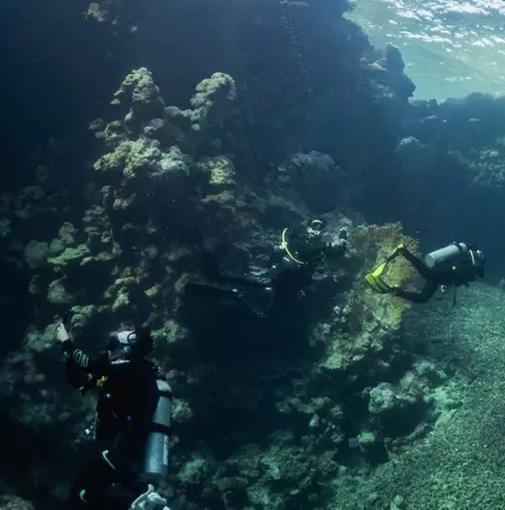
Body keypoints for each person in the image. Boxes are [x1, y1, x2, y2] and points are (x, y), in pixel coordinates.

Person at [55, 320, 173, 510]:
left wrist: (67, 343)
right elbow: (79, 379)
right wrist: (69, 354)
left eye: (112, 346)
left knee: (103, 454)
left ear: (126, 350)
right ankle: (134, 507)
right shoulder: (115, 374)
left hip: (123, 445)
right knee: (83, 495)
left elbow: (93, 367)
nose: (108, 351)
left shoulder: (135, 370)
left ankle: (147, 494)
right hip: (112, 451)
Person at [185, 218, 347, 317]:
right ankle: (212, 278)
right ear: (308, 227)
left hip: (291, 285)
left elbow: (337, 254)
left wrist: (342, 241)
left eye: (320, 227)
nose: (316, 230)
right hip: (280, 273)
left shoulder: (321, 250)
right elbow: (304, 252)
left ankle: (236, 296)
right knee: (255, 281)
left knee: (273, 313)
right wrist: (327, 246)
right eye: (314, 225)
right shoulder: (300, 240)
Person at [364, 241, 485, 303]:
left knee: (423, 298)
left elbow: (453, 279)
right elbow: (455, 273)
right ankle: (403, 250)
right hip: (445, 271)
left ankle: (395, 291)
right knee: (426, 273)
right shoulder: (470, 266)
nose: (475, 279)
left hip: (442, 276)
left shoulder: (470, 268)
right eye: (476, 277)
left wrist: (445, 285)